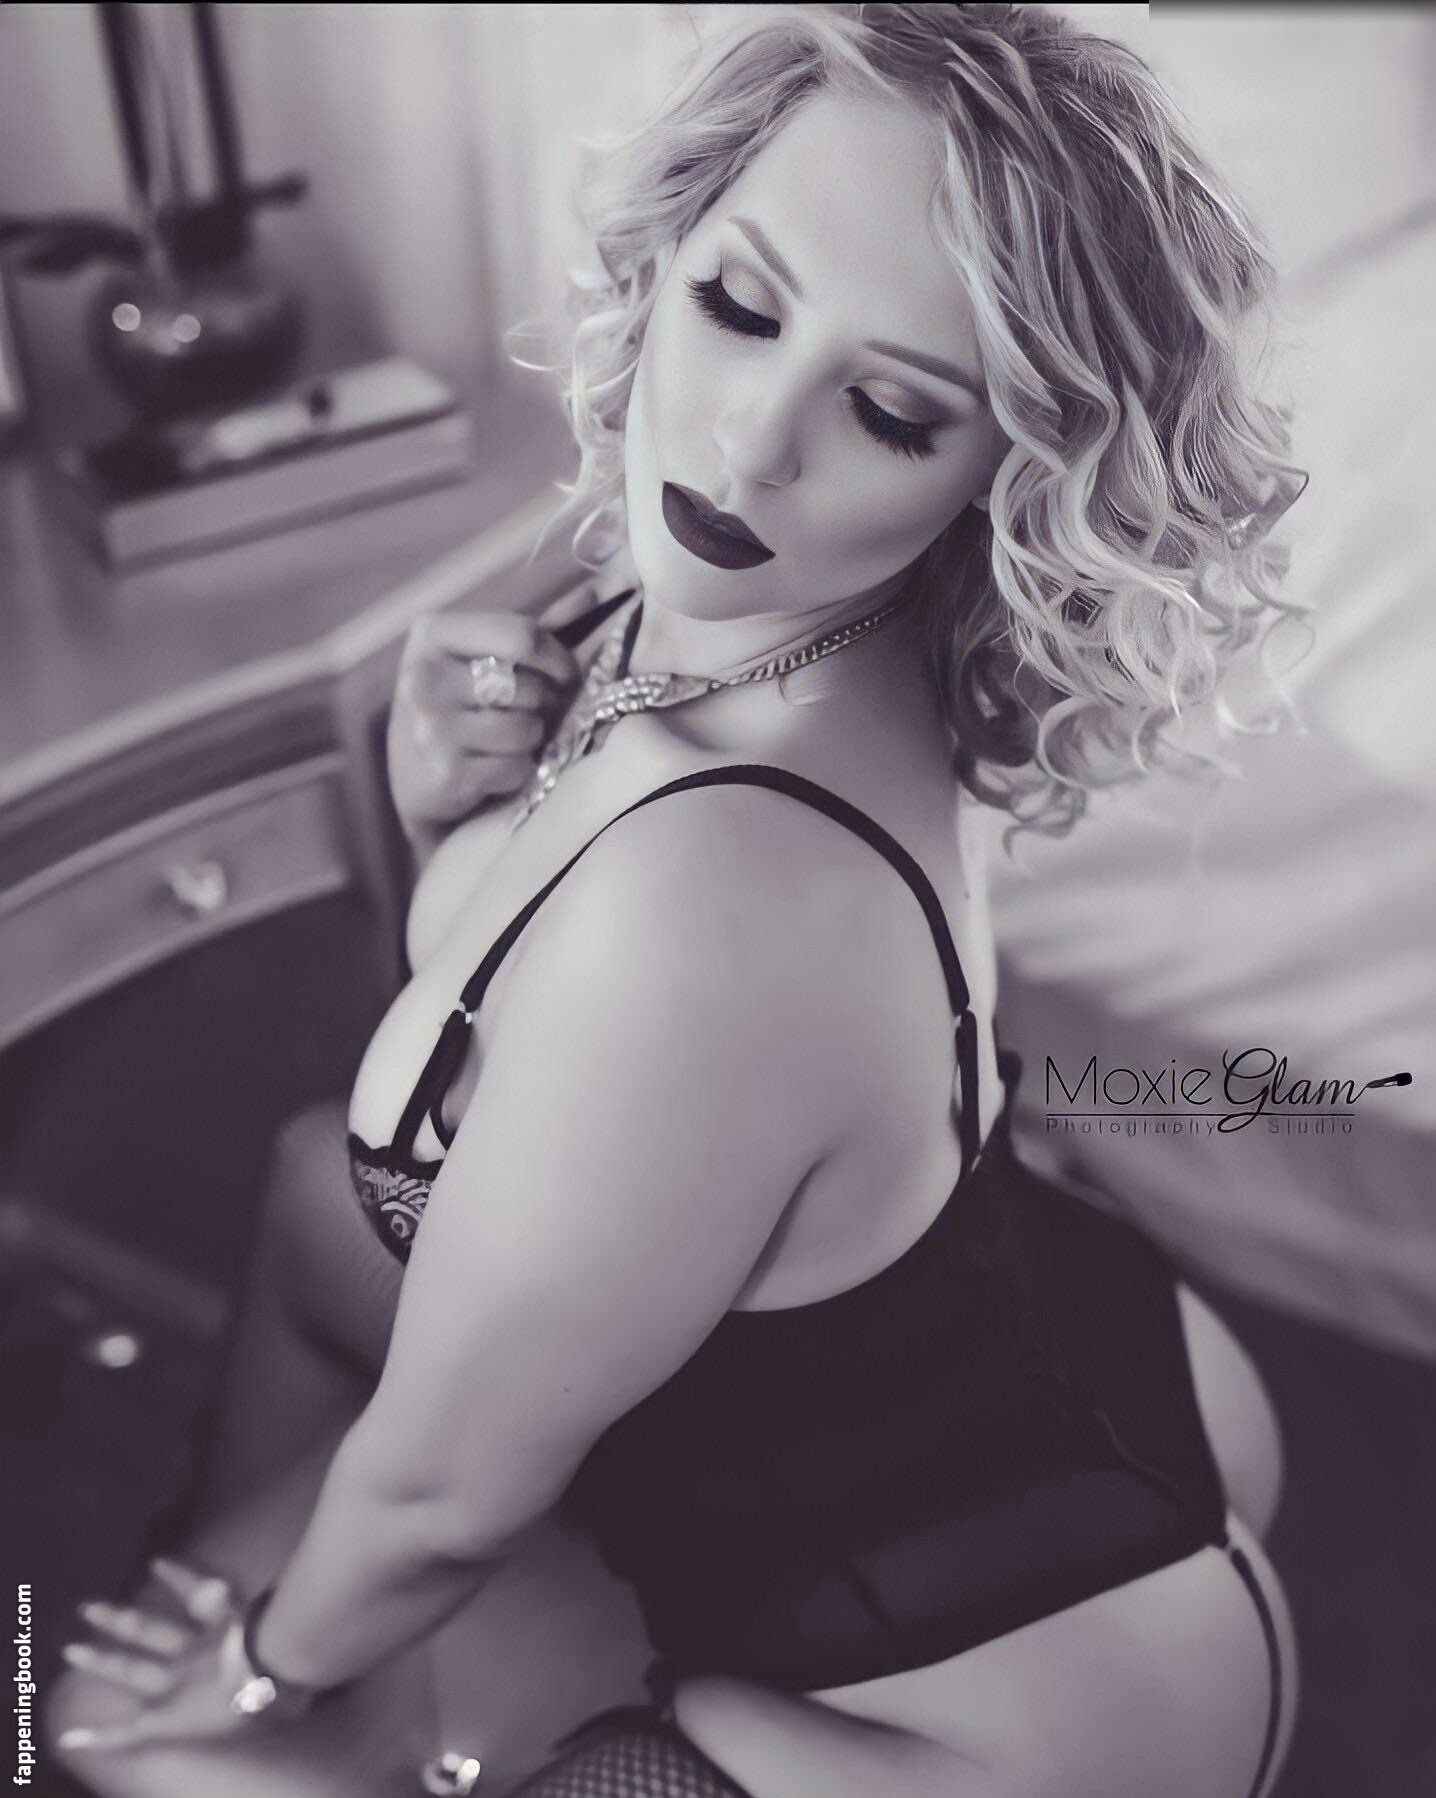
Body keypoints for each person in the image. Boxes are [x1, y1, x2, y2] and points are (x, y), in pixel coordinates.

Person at [46, 6, 1308, 1795]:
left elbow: (444, 1492)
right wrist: (450, 820)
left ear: (1005, 474)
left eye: (891, 410)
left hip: (981, 1707)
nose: (746, 442)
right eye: (741, 304)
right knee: (315, 1185)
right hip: (1052, 1404)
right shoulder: (765, 615)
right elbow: (550, 1050)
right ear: (681, 233)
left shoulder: (719, 895)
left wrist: (257, 1670)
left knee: (92, 1732)